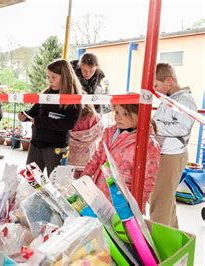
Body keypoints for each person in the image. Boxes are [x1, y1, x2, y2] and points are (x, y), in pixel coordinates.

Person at [83, 104, 161, 211]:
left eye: (125, 114)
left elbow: (148, 179)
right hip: (99, 191)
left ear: (140, 115)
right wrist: (85, 176)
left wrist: (138, 207)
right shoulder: (109, 131)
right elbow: (98, 156)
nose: (118, 118)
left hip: (123, 199)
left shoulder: (148, 143)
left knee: (119, 226)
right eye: (116, 112)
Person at [150, 63, 197, 228]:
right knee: (165, 200)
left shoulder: (185, 101)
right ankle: (172, 237)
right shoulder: (168, 99)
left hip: (172, 156)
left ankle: (158, 242)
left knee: (160, 201)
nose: (155, 90)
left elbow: (182, 128)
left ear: (169, 81)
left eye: (156, 85)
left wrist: (153, 126)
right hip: (164, 154)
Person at [18, 59, 82, 176]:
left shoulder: (73, 98)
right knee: (32, 178)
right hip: (36, 143)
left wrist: (38, 121)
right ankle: (37, 195)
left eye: (54, 77)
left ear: (65, 76)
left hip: (56, 147)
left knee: (55, 182)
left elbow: (67, 124)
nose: (50, 80)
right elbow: (34, 111)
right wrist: (25, 115)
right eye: (48, 77)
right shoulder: (46, 93)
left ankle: (48, 194)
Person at [67, 104, 104, 177]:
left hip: (72, 158)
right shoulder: (95, 118)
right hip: (89, 158)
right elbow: (100, 133)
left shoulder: (72, 118)